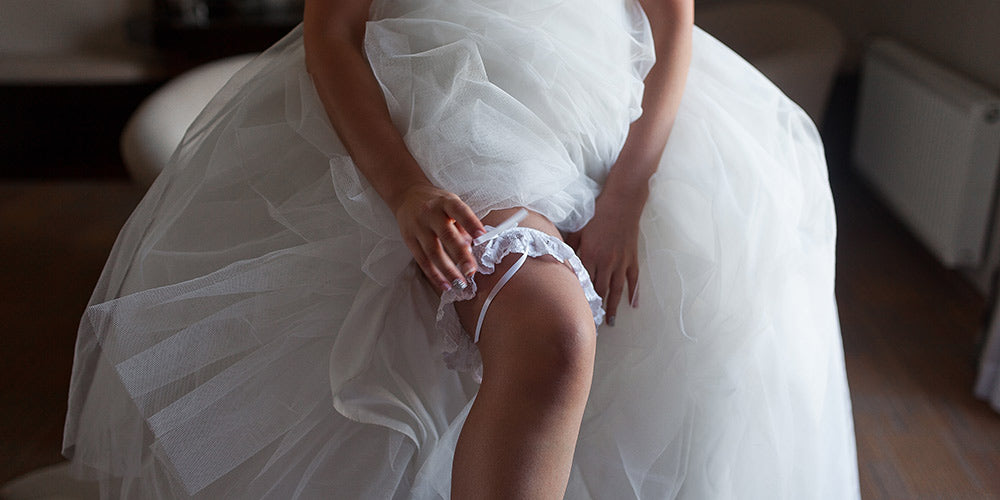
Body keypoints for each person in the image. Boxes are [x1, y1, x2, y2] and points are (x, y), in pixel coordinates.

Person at [63, 0, 860, 498]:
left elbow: (673, 16)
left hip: (607, 116)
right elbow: (332, 30)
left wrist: (626, 195)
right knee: (550, 333)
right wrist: (403, 186)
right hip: (445, 107)